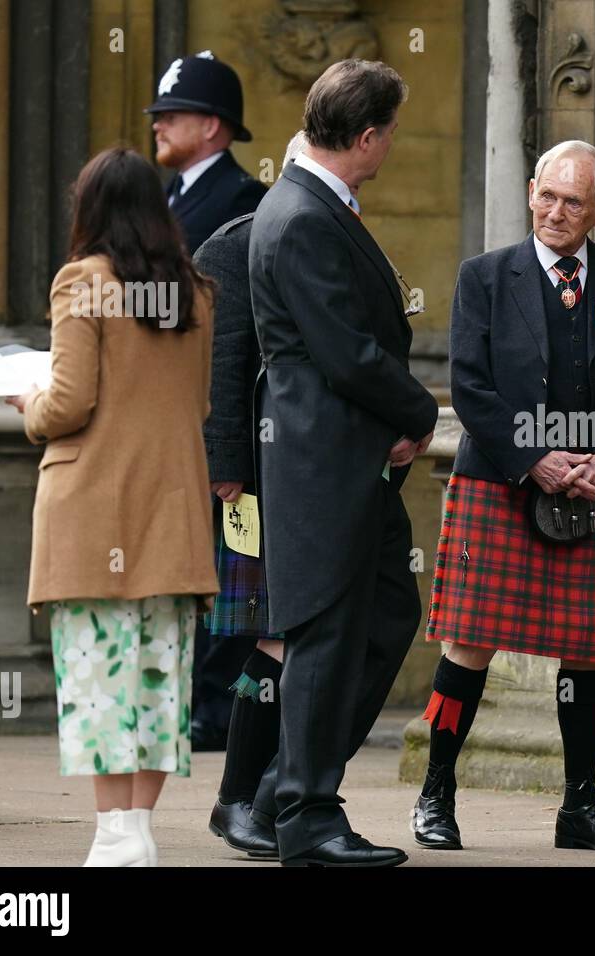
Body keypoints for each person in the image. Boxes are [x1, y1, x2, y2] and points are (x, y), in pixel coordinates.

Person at [411, 139, 595, 852]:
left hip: (593, 486)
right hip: (500, 479)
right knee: (469, 642)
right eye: (548, 196)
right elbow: (469, 384)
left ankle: (580, 807)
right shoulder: (485, 277)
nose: (557, 212)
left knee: (587, 649)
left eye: (574, 202)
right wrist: (535, 458)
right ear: (531, 192)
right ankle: (436, 794)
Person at [245, 59, 438, 867]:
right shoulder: (302, 215)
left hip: (343, 456)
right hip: (322, 461)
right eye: (389, 131)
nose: (392, 144)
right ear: (365, 137)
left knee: (388, 613)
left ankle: (284, 791)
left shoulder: (310, 205)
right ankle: (309, 819)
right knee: (325, 637)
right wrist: (418, 410)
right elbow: (347, 353)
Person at [8, 146, 218, 866]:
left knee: (98, 675)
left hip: (95, 510)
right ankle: (136, 830)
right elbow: (198, 404)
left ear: (89, 210)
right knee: (160, 675)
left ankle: (115, 836)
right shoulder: (195, 291)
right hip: (172, 507)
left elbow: (68, 403)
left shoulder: (81, 282)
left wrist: (25, 402)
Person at [146, 50, 267, 750]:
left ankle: (219, 707)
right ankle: (194, 699)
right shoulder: (170, 198)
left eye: (173, 113)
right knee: (193, 561)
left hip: (215, 415)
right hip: (168, 412)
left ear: (214, 126)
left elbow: (234, 330)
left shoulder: (243, 199)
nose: (159, 124)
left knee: (230, 566)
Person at [198, 131, 308, 853]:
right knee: (270, 628)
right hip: (265, 477)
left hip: (323, 471)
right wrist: (229, 469)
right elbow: (223, 370)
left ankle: (275, 794)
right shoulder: (235, 246)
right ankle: (240, 797)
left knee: (301, 632)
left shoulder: (338, 235)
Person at [147, 51, 267, 254]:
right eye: (158, 117)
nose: (157, 126)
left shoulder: (242, 197)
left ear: (210, 127)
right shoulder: (168, 192)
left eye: (171, 117)